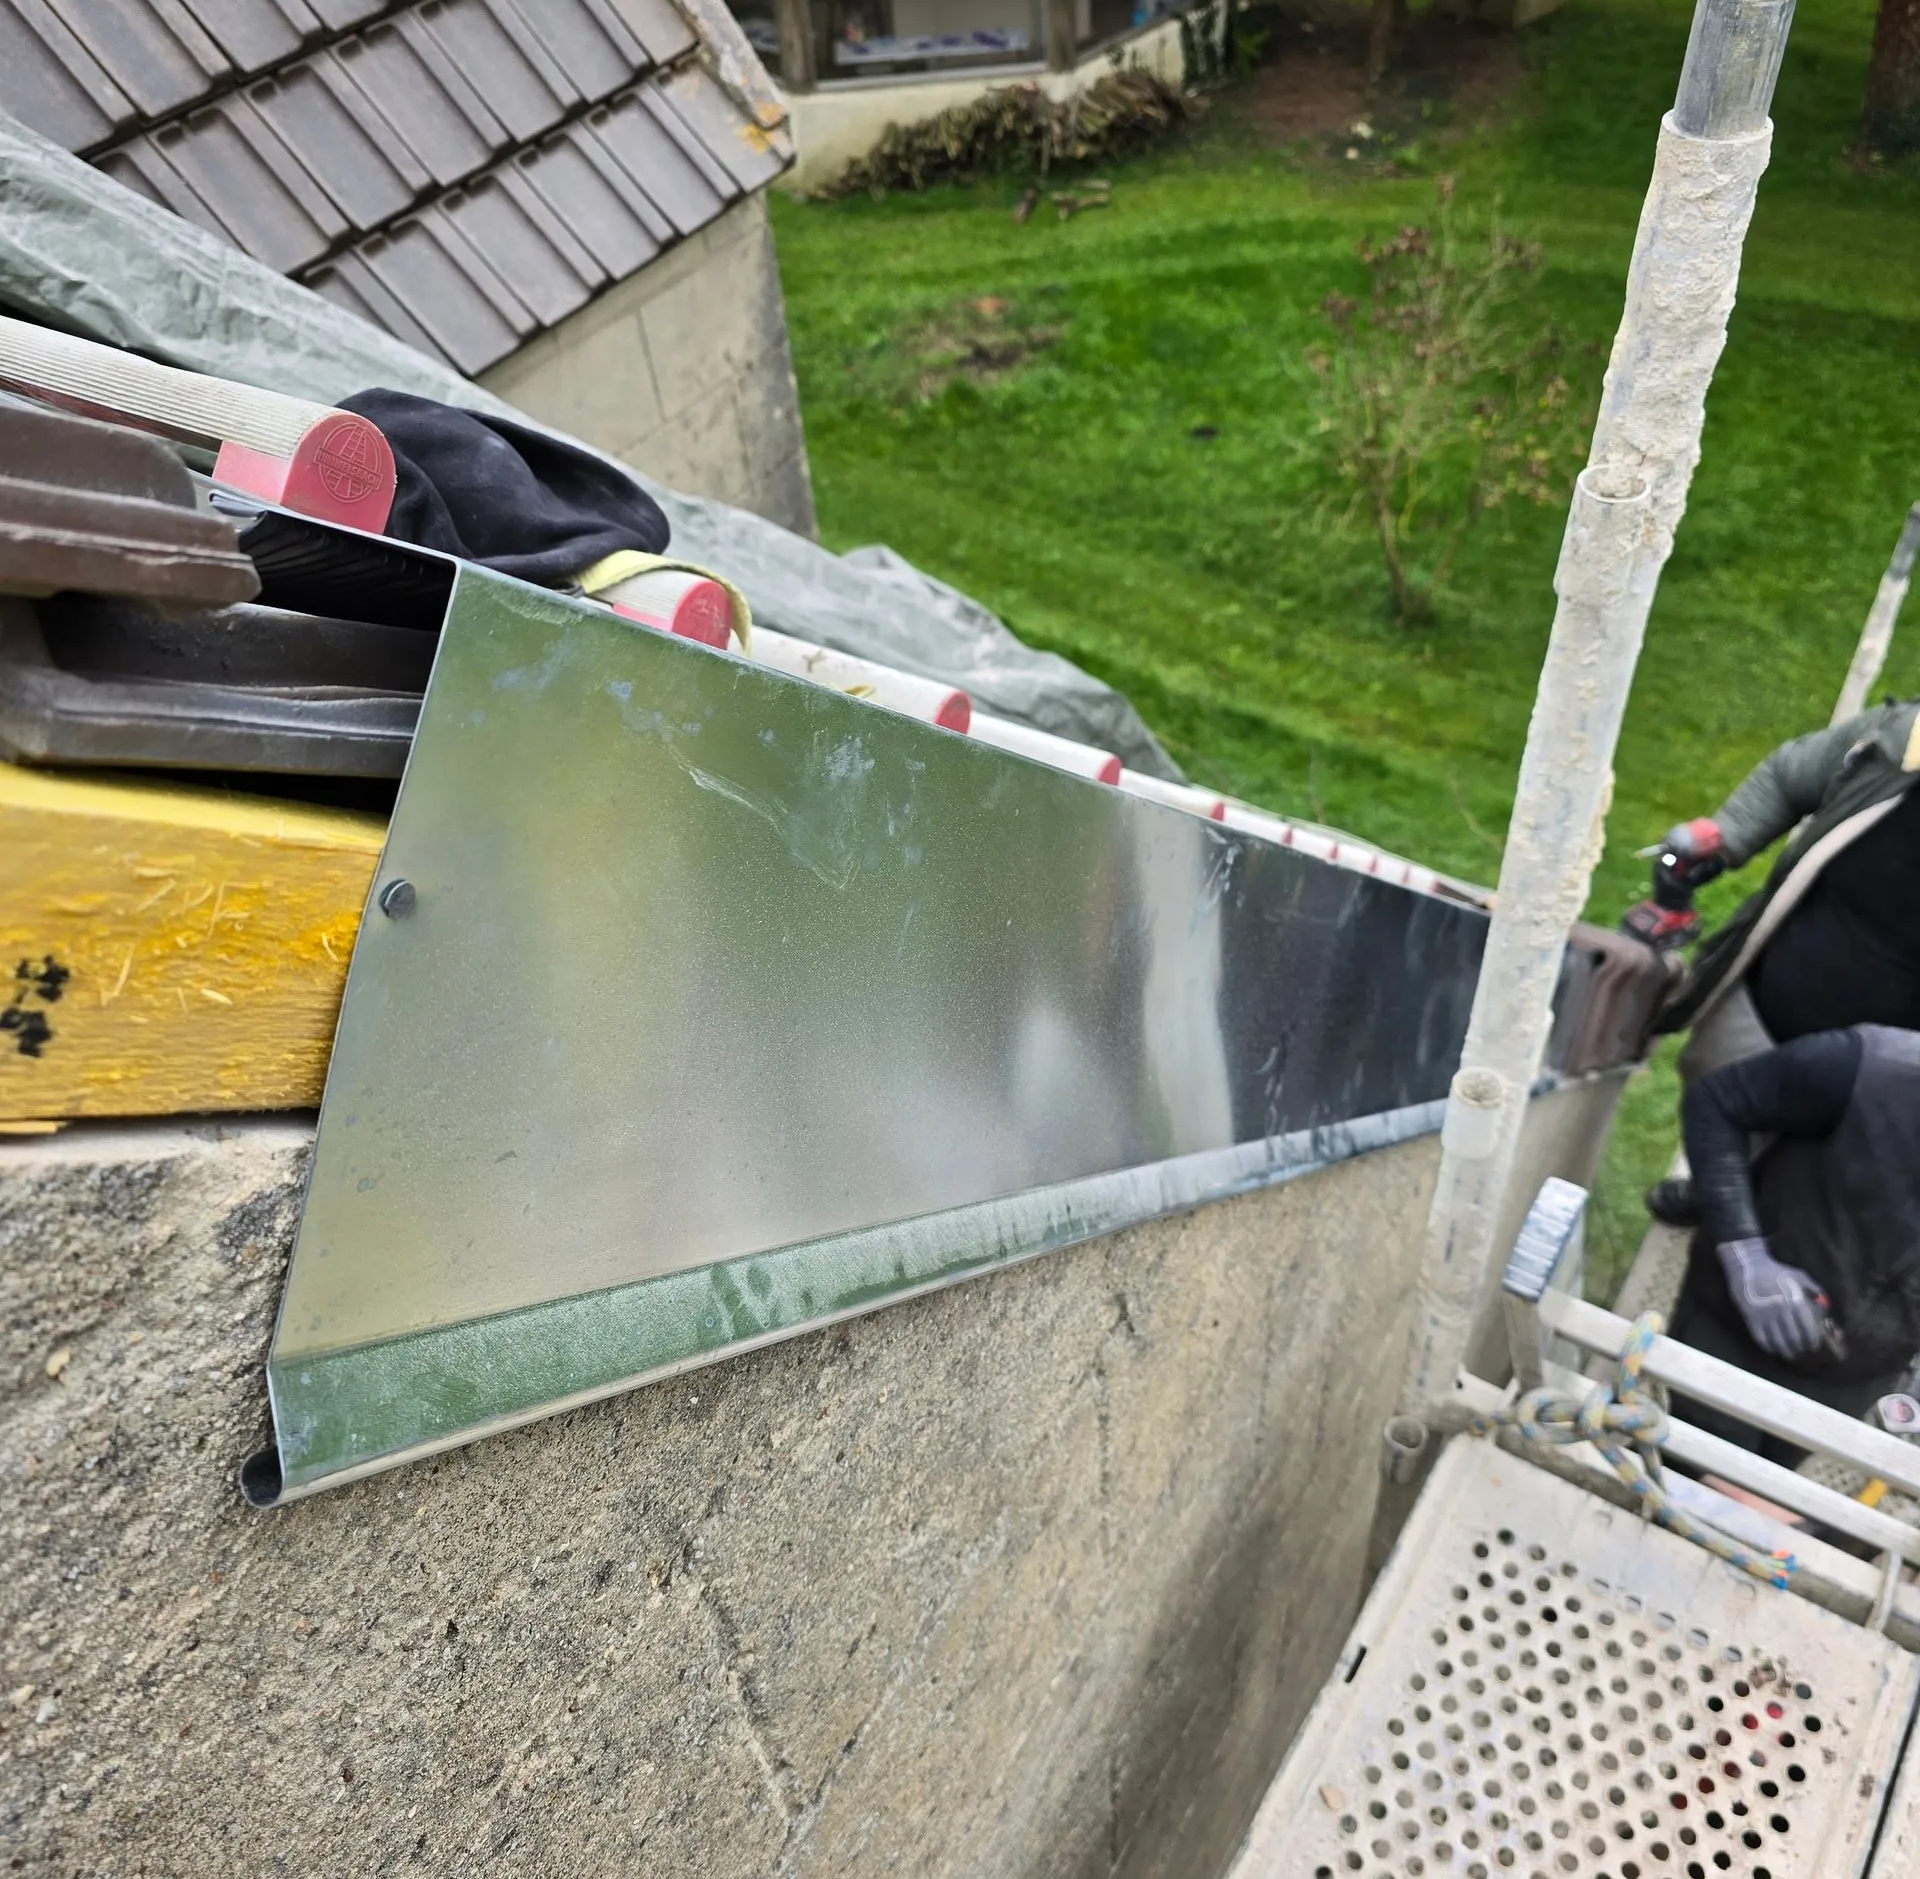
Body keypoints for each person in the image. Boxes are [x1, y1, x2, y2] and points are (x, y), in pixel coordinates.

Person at [1624, 693, 1920, 1222]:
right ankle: (1714, 1187)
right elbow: (1789, 776)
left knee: (1810, 1221)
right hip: (1760, 1020)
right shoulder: (1901, 738)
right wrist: (1725, 837)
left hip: (1878, 1099)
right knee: (1720, 1127)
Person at [1668, 1024, 1920, 1464]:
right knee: (1679, 1464)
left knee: (1761, 1487)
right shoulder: (1866, 1070)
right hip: (1736, 1325)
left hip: (1855, 1375)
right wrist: (1745, 1256)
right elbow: (1717, 1103)